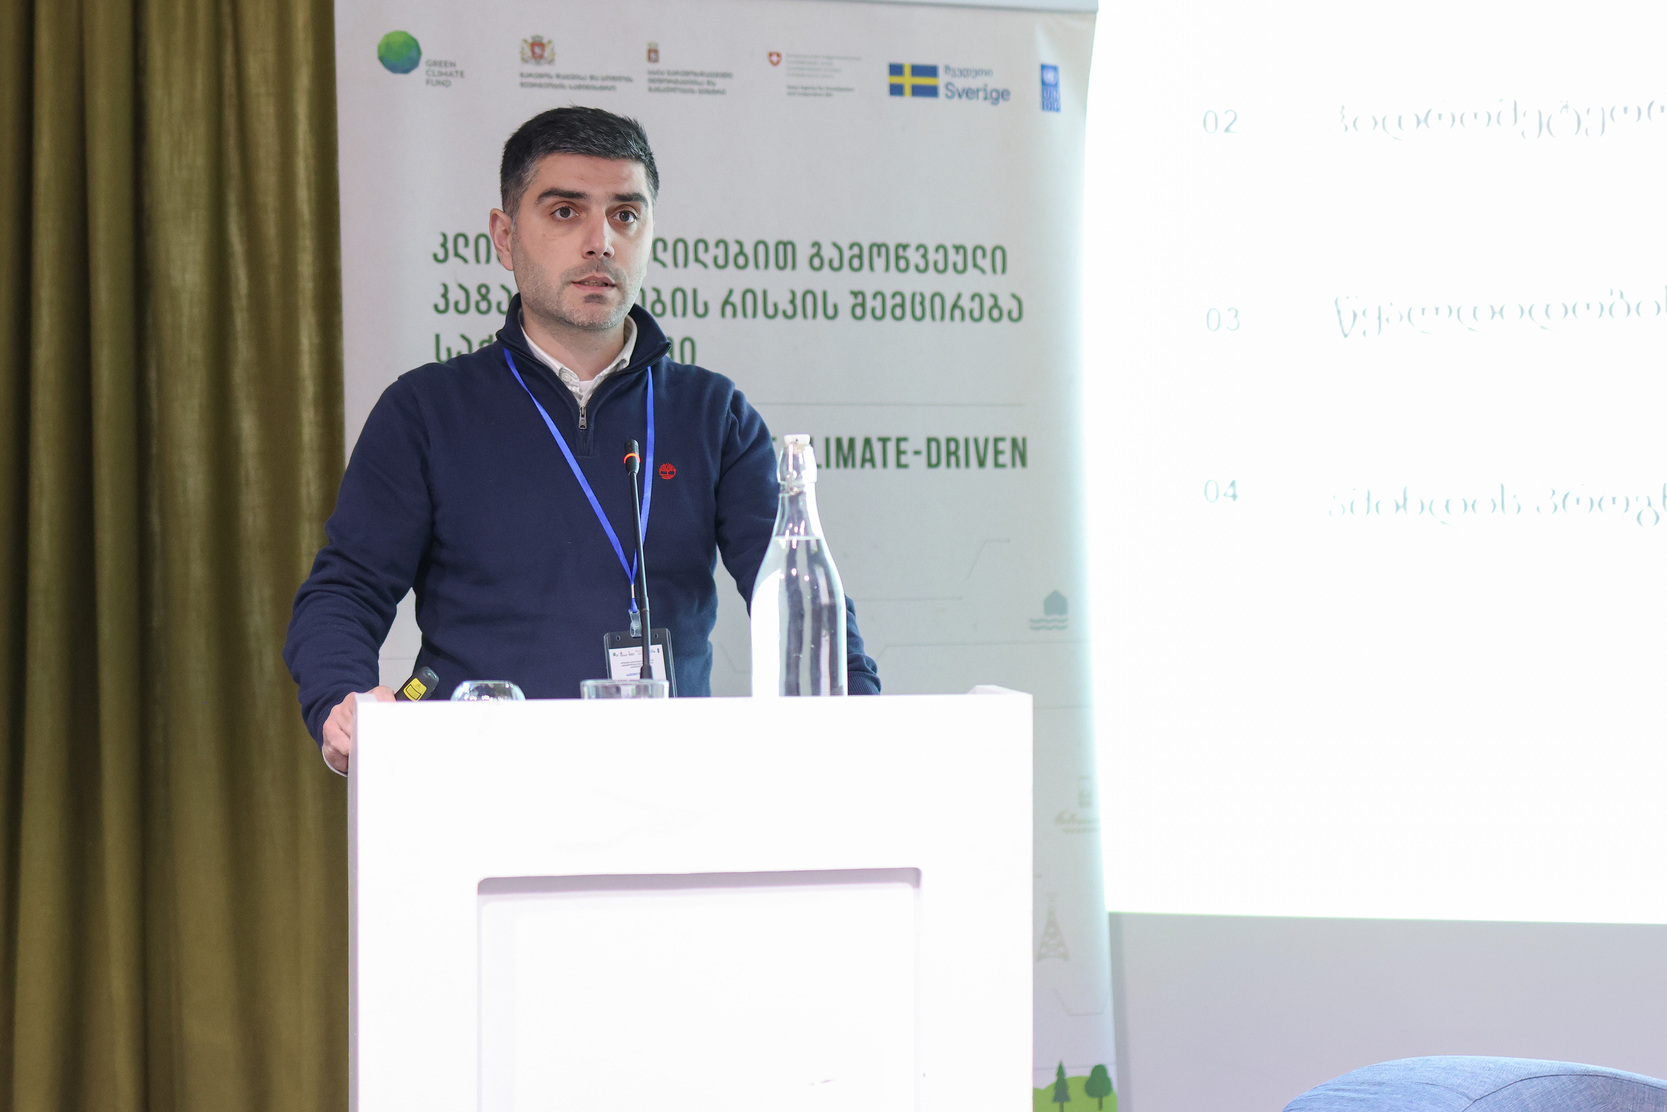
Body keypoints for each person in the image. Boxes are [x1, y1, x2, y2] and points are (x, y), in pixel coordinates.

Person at [284, 106, 880, 773]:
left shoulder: (712, 413)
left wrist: (862, 719)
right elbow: (347, 590)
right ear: (505, 237)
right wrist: (341, 698)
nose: (600, 242)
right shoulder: (425, 410)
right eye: (566, 212)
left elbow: (794, 590)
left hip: (669, 780)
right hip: (478, 780)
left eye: (625, 215)